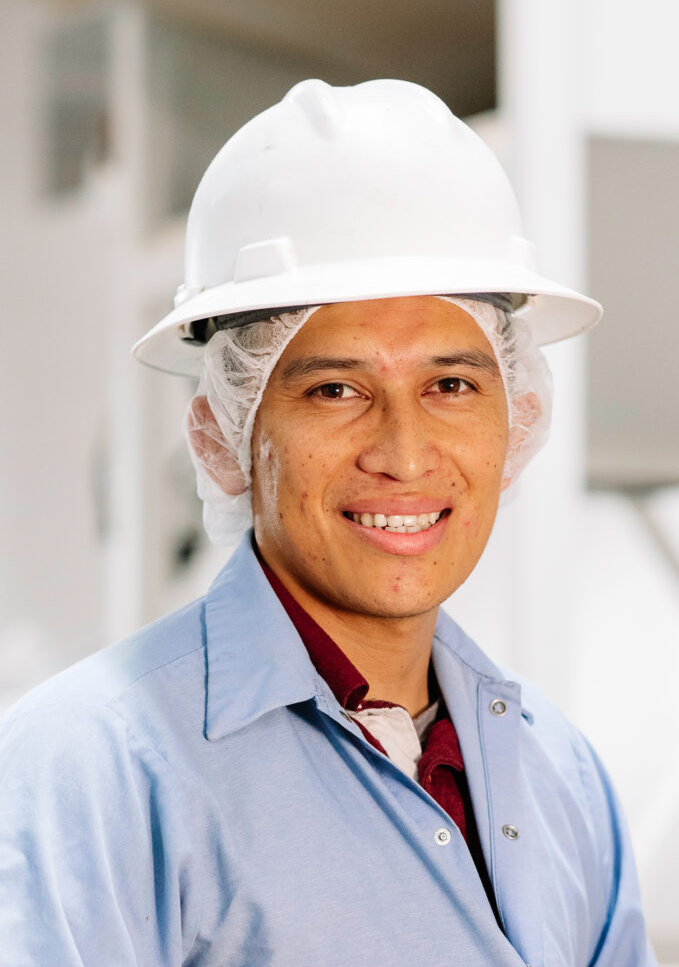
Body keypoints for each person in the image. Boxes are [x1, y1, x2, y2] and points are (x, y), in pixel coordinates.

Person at [0, 79, 655, 966]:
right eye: (335, 390)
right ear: (227, 431)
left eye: (451, 385)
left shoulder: (559, 777)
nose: (405, 452)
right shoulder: (87, 769)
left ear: (519, 414)